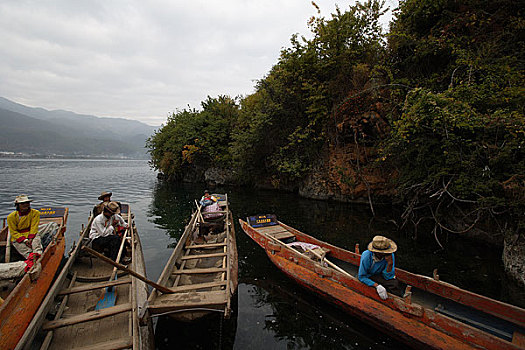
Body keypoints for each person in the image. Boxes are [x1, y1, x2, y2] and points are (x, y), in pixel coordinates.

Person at [358, 235, 403, 300]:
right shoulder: (366, 256)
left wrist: (390, 263)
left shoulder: (389, 256)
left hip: (379, 275)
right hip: (369, 276)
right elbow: (361, 276)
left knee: (394, 284)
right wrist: (377, 285)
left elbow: (388, 277)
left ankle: (398, 300)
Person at [7, 194, 43, 259]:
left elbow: (34, 227)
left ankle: (38, 256)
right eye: (22, 203)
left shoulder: (35, 213)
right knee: (24, 249)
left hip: (31, 233)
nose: (25, 205)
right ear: (18, 205)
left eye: (27, 203)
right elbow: (13, 231)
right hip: (18, 236)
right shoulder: (11, 217)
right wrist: (25, 240)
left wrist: (31, 238)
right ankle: (31, 259)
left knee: (36, 245)